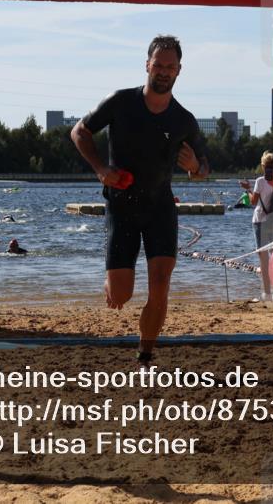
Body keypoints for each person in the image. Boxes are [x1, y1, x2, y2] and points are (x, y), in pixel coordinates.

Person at [71, 34, 209, 363]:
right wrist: (100, 168)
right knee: (121, 295)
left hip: (160, 207)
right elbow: (79, 131)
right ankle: (112, 281)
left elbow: (204, 167)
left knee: (160, 284)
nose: (163, 71)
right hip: (121, 207)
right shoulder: (121, 102)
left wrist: (194, 168)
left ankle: (145, 354)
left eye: (170, 67)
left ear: (179, 71)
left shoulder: (183, 120)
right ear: (147, 65)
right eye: (158, 65)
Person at [239, 151, 273, 302]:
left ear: (263, 166)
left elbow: (253, 202)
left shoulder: (259, 181)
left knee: (263, 259)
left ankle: (267, 293)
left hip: (259, 220)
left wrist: (248, 189)